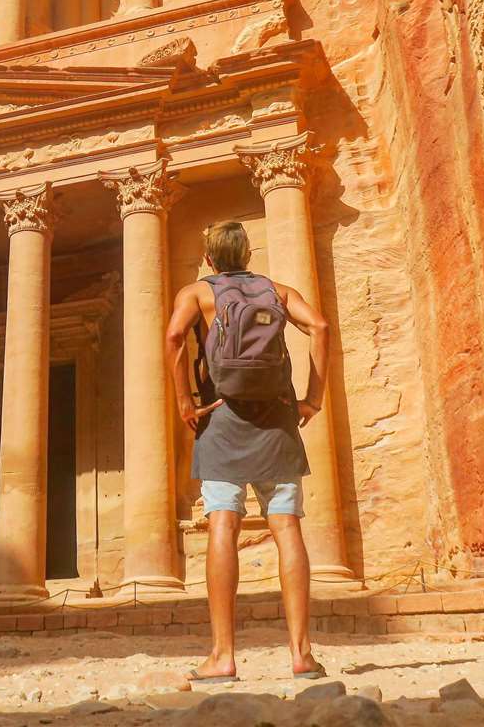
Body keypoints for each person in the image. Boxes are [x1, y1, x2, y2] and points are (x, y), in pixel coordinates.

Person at [163, 220, 330, 683]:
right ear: (248, 255)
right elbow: (319, 326)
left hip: (220, 419)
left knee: (223, 523)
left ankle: (223, 655)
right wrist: (312, 398)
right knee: (287, 527)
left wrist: (184, 402)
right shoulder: (277, 290)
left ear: (210, 258)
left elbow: (176, 338)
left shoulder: (197, 292)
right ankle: (301, 653)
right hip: (276, 419)